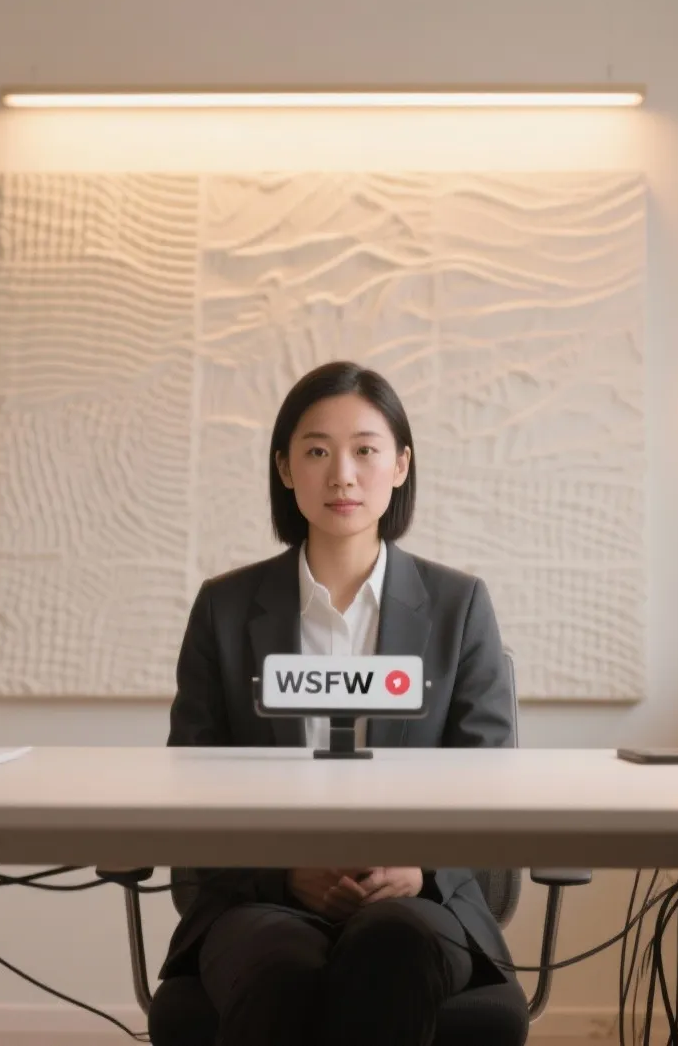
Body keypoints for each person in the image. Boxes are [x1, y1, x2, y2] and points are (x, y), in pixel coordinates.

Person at [162, 361, 520, 1046]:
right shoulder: (226, 609)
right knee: (281, 968)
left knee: (392, 945)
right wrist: (285, 874)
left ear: (401, 464)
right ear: (285, 468)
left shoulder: (458, 605)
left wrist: (419, 869)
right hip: (259, 899)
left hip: (419, 901)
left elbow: (488, 784)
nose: (342, 475)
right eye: (317, 451)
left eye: (365, 449)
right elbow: (192, 788)